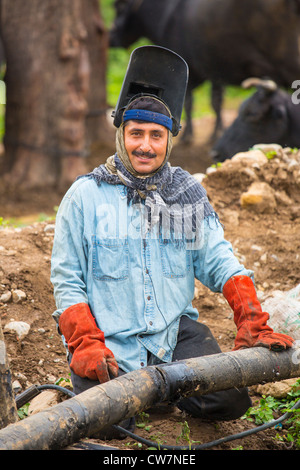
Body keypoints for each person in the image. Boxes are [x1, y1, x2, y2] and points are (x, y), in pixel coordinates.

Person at [50, 46, 294, 439]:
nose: (145, 145)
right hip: (111, 339)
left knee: (229, 401)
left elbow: (217, 259)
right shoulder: (85, 196)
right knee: (110, 426)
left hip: (172, 333)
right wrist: (86, 342)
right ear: (121, 135)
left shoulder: (186, 192)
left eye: (155, 136)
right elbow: (67, 279)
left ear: (168, 140)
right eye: (136, 134)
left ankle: (159, 387)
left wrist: (251, 316)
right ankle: (149, 386)